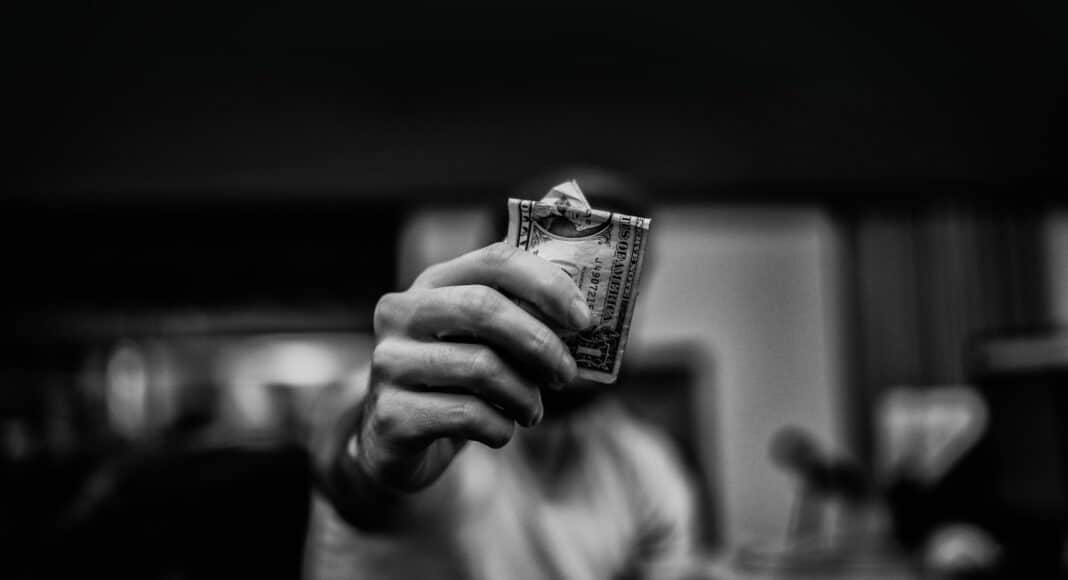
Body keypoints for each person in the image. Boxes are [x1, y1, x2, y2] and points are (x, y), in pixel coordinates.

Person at [305, 169, 703, 580]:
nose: (582, 313)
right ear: (498, 282)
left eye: (613, 294)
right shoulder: (413, 396)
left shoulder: (647, 466)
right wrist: (374, 456)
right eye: (565, 277)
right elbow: (350, 475)